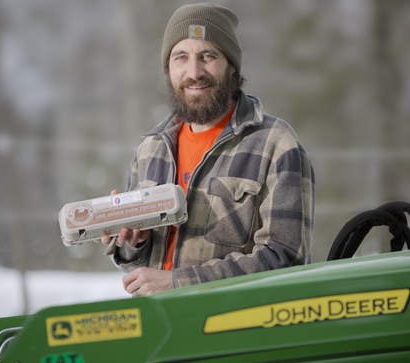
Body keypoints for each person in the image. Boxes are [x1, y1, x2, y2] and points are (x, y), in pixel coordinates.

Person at [102, 3, 315, 297]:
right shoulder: (151, 150)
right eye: (181, 57)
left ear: (232, 67)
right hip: (159, 327)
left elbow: (285, 259)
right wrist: (133, 241)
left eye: (208, 56)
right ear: (168, 69)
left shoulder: (275, 144)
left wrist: (177, 282)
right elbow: (136, 263)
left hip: (235, 330)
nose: (194, 72)